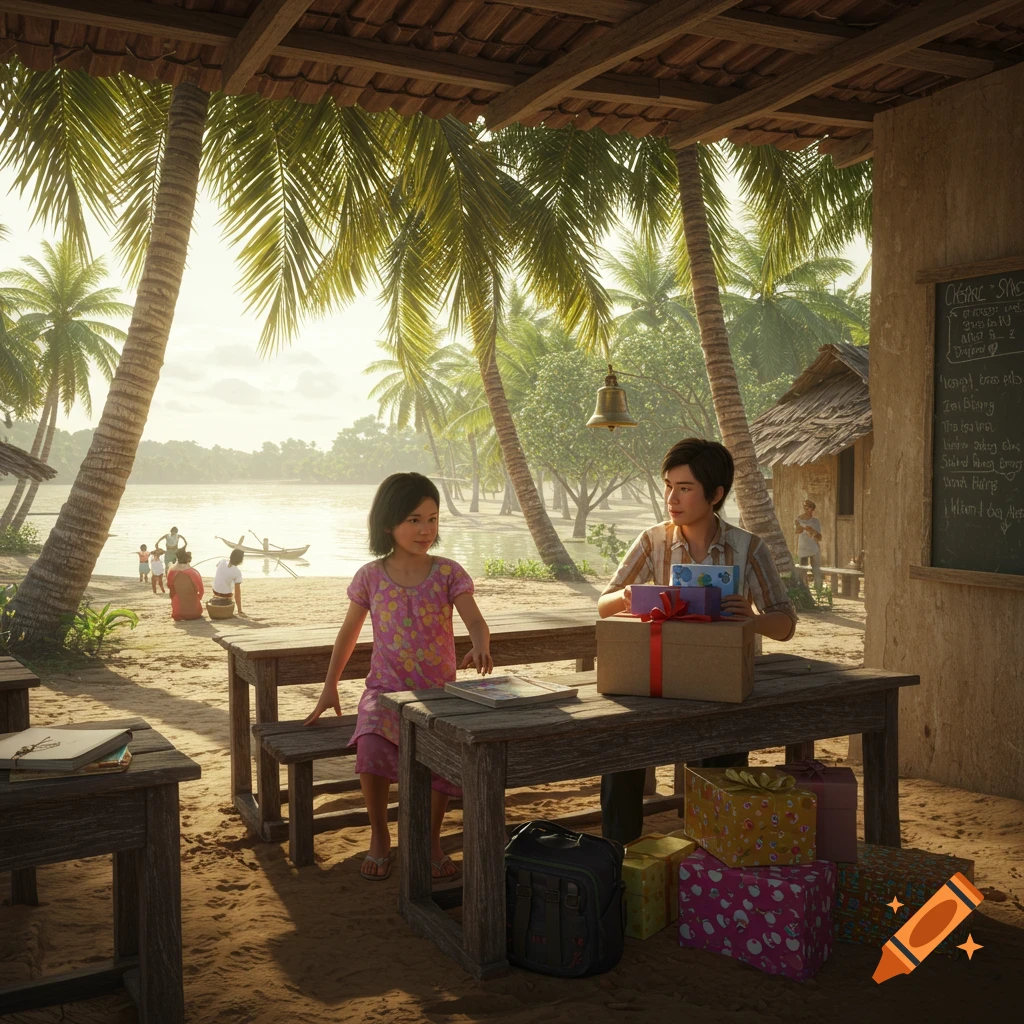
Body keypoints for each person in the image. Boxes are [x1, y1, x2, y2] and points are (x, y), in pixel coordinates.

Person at [596, 438, 798, 845]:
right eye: (668, 485)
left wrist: (753, 621)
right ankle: (617, 859)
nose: (672, 498)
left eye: (684, 488)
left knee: (717, 772)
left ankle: (709, 862)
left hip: (721, 689)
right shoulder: (652, 541)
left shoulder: (748, 548)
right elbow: (604, 605)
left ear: (716, 493)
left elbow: (786, 623)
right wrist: (631, 597)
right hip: (657, 684)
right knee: (622, 751)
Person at [305, 472, 492, 881]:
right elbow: (348, 634)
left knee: (442, 757)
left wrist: (481, 644)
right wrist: (330, 685)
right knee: (369, 742)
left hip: (438, 694)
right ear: (388, 523)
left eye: (432, 519)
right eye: (414, 519)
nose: (425, 530)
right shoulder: (370, 576)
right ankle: (379, 836)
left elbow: (475, 621)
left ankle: (429, 838)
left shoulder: (448, 573)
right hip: (385, 692)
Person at [167, 550, 204, 621]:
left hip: (178, 612)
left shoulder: (171, 571)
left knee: (174, 594)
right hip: (194, 613)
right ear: (188, 560)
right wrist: (198, 597)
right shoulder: (193, 572)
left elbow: (170, 586)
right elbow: (201, 590)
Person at [795, 499, 823, 591]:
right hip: (803, 549)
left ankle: (819, 590)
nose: (806, 510)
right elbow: (796, 532)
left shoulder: (815, 521)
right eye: (804, 507)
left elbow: (819, 537)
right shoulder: (798, 519)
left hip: (814, 549)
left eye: (808, 508)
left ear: (812, 510)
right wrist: (801, 528)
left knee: (816, 571)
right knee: (802, 572)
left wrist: (812, 530)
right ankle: (804, 591)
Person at [212, 548, 245, 615]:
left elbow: (217, 566)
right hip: (226, 595)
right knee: (234, 582)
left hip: (215, 591)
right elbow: (237, 594)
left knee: (225, 578)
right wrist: (239, 610)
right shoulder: (237, 572)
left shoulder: (222, 561)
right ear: (240, 560)